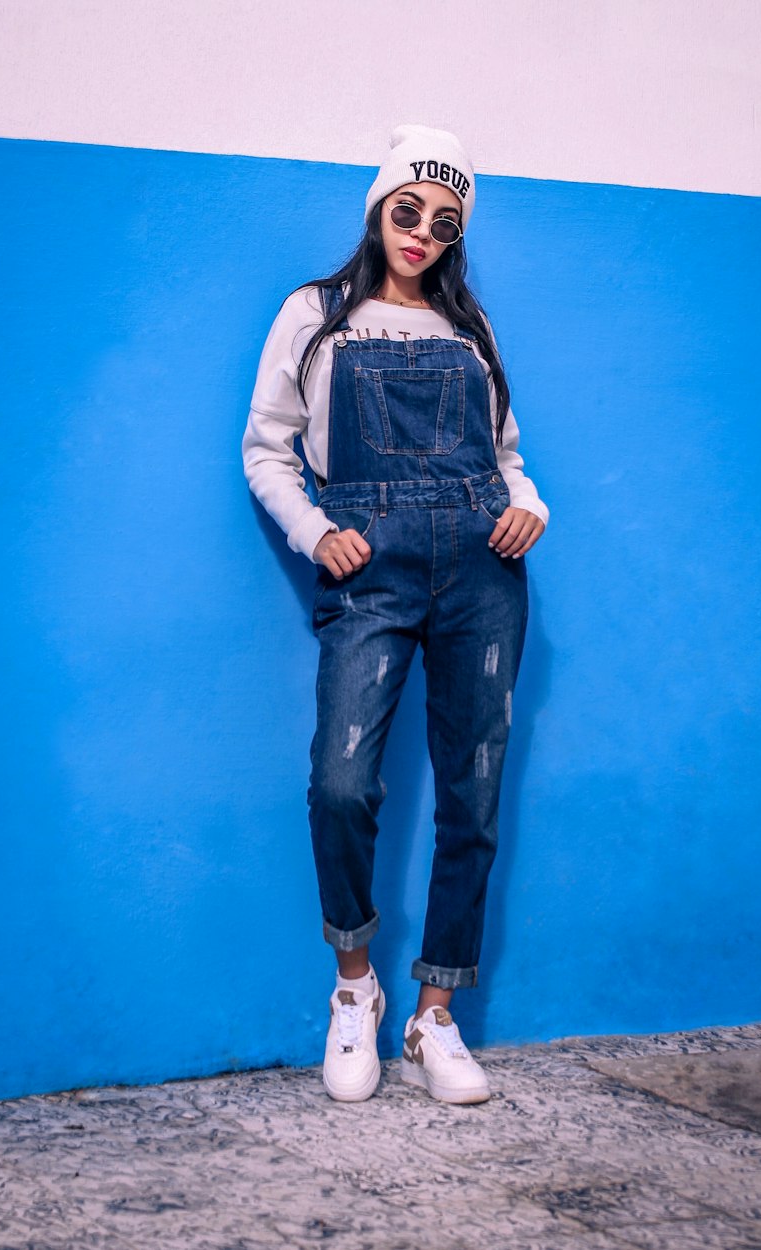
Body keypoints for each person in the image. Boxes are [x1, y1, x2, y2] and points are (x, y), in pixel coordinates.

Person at [243, 124, 547, 1105]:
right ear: (378, 208)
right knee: (342, 782)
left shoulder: (472, 327)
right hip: (370, 563)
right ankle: (354, 986)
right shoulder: (315, 312)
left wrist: (529, 503)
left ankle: (436, 1014)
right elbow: (266, 448)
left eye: (443, 222)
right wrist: (310, 530)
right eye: (407, 210)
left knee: (475, 793)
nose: (421, 233)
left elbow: (506, 454)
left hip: (480, 567)